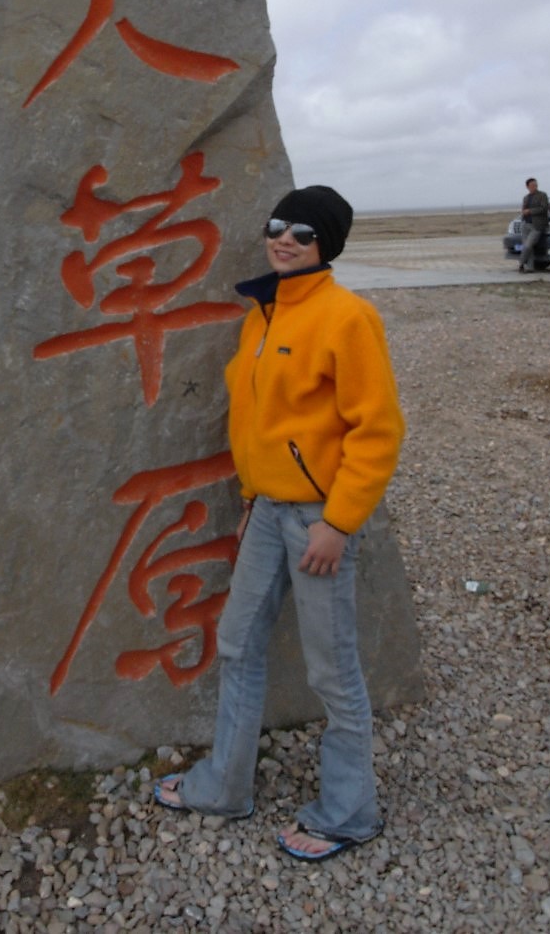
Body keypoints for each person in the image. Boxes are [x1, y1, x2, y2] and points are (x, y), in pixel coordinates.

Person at [154, 185, 405, 862]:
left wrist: (339, 522)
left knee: (332, 672)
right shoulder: (261, 313)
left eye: (302, 230)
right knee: (235, 645)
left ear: (327, 244)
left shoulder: (347, 318)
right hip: (264, 511)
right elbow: (257, 424)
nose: (284, 237)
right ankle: (224, 785)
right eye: (276, 224)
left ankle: (349, 812)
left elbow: (376, 432)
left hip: (318, 522)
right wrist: (248, 496)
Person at [519, 178, 549, 273]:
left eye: (536, 185)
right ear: (527, 187)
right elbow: (524, 209)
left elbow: (544, 208)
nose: (534, 187)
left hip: (536, 225)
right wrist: (523, 213)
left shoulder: (542, 195)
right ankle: (530, 267)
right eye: (532, 185)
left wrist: (530, 211)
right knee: (527, 247)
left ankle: (521, 263)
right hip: (526, 225)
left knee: (528, 245)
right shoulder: (526, 197)